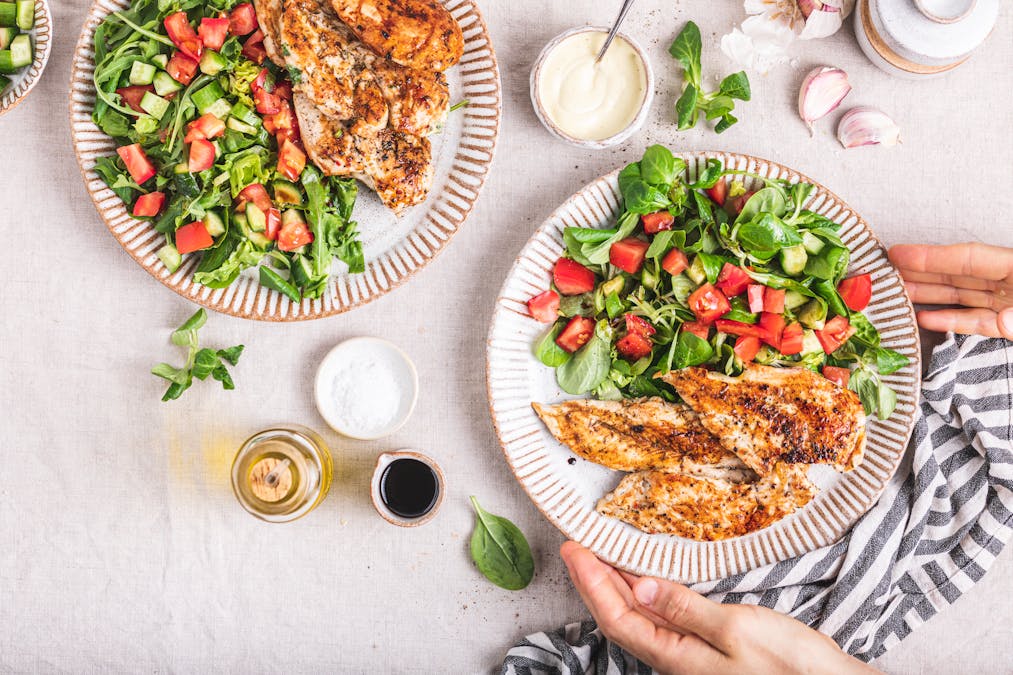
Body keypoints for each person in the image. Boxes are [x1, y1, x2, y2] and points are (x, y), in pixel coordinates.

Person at [560, 242, 1013, 674]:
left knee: (688, 437)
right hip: (759, 458)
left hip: (774, 460)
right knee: (672, 432)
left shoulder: (812, 451)